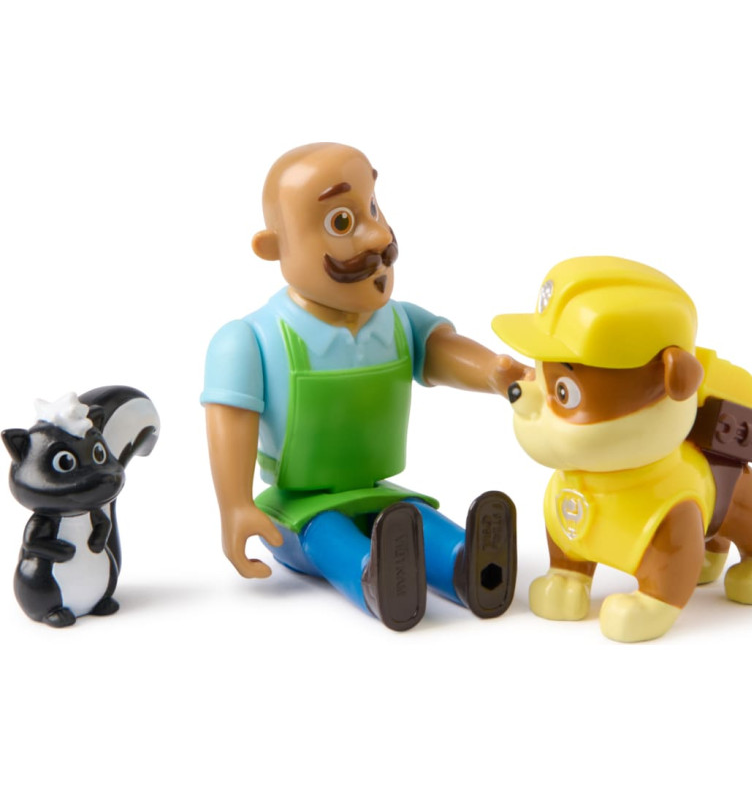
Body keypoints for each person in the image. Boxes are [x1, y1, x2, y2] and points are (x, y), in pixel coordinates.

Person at [202, 143, 527, 630]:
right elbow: (231, 422)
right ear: (276, 247)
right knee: (329, 533)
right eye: (342, 221)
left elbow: (440, 350)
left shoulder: (397, 323)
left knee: (409, 513)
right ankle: (373, 579)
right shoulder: (251, 340)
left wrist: (492, 372)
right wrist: (235, 506)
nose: (378, 235)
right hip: (298, 510)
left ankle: (466, 565)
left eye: (372, 208)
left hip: (376, 492)